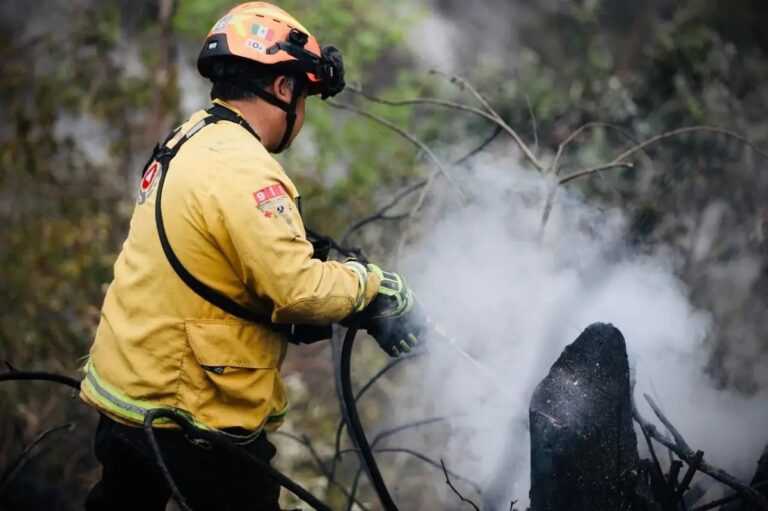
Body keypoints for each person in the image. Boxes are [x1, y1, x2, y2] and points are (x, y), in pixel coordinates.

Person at [80, 3, 422, 510]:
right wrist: (374, 289)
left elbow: (211, 256)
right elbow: (297, 291)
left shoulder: (190, 137)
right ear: (283, 89)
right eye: (304, 97)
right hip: (191, 419)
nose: (302, 114)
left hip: (127, 400)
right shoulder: (246, 168)